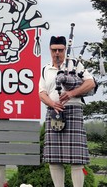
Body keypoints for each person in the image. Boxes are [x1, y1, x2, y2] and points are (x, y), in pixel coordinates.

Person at [39, 36, 96, 187]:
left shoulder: (75, 65)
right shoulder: (46, 69)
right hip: (54, 112)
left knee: (77, 158)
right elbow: (41, 93)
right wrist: (51, 103)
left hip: (73, 111)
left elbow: (91, 83)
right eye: (54, 50)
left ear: (65, 49)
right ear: (50, 50)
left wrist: (72, 93)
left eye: (60, 50)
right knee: (54, 158)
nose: (57, 53)